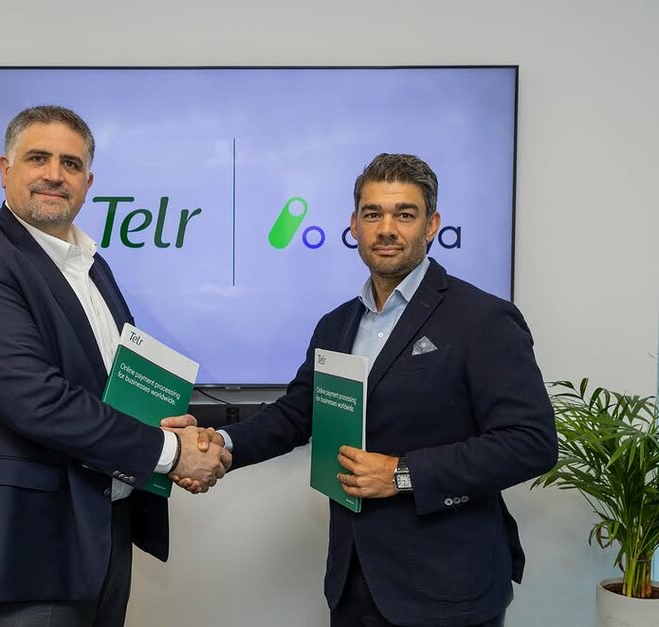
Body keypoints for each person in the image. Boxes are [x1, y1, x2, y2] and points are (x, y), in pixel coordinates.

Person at [187, 153, 558, 626]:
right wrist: (221, 444)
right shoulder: (337, 324)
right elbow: (297, 414)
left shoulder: (483, 318)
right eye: (373, 214)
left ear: (431, 226)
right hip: (353, 585)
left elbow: (531, 442)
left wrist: (402, 473)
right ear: (354, 225)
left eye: (404, 214)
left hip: (447, 590)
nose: (386, 229)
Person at [0, 105, 230, 627]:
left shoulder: (92, 265)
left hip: (104, 531)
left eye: (70, 164)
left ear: (88, 182)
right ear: (5, 169)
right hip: (28, 548)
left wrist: (163, 425)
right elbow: (37, 401)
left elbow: (106, 387)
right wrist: (170, 451)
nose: (54, 174)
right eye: (37, 158)